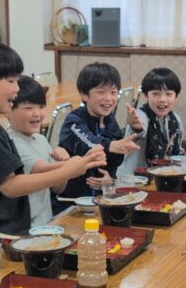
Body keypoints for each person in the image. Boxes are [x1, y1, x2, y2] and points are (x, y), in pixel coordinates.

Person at [0, 43, 105, 264]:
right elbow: (10, 186)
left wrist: (77, 164)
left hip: (0, 232)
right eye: (10, 81)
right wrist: (67, 170)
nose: (16, 89)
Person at [58, 62, 142, 198]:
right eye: (100, 92)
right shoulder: (73, 120)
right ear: (84, 94)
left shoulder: (110, 119)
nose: (108, 98)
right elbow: (88, 142)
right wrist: (111, 145)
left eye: (113, 92)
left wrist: (110, 179)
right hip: (72, 199)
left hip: (100, 197)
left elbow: (115, 161)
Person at [7, 76, 71, 227]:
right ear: (8, 110)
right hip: (28, 227)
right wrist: (74, 164)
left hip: (47, 222)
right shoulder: (11, 141)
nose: (37, 113)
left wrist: (64, 162)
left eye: (41, 106)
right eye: (28, 108)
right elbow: (42, 169)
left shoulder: (41, 139)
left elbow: (57, 188)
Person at [121, 67, 186, 174]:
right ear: (146, 96)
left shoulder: (176, 120)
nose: (162, 99)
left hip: (163, 175)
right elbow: (140, 128)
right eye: (155, 94)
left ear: (176, 97)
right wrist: (135, 127)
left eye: (168, 94)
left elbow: (178, 152)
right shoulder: (141, 115)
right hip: (135, 178)